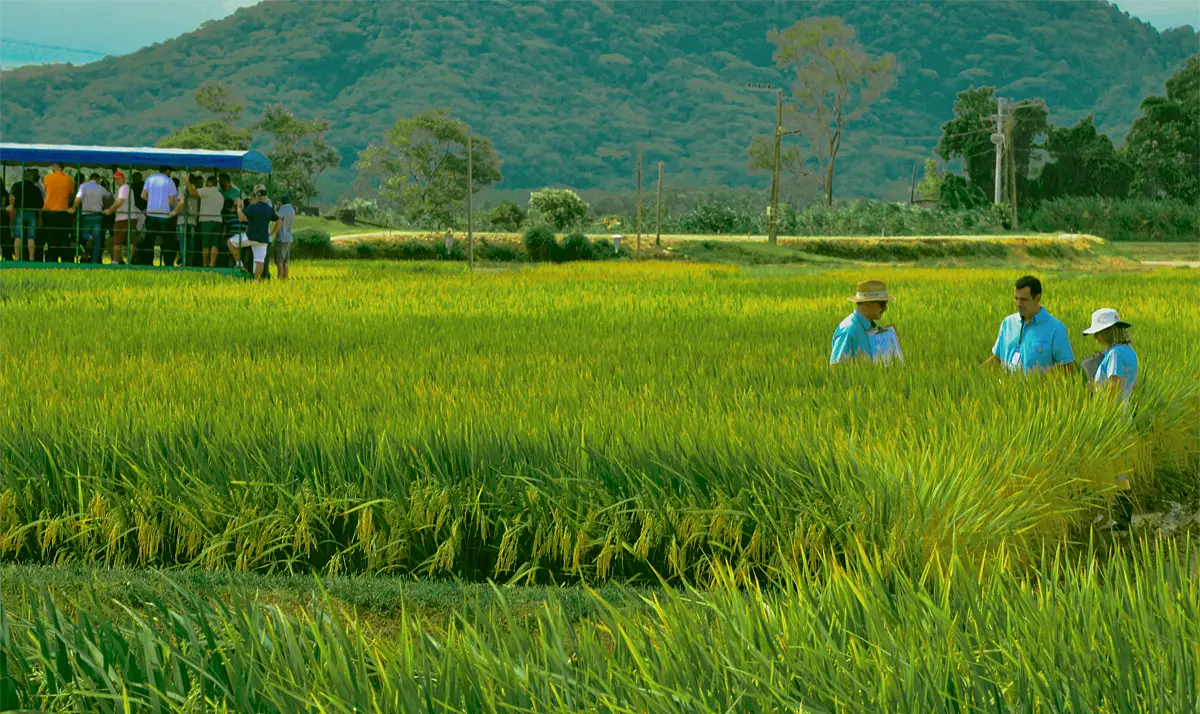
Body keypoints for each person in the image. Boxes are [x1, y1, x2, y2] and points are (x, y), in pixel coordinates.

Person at [984, 275, 1075, 374]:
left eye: (1024, 299)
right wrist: (974, 374)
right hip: (1005, 387)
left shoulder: (1056, 329)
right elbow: (997, 358)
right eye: (1016, 298)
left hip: (1036, 389)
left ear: (1037, 298)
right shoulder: (1007, 323)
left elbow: (1067, 368)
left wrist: (1038, 384)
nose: (1018, 304)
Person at [831, 280, 895, 366]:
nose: (885, 308)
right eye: (882, 303)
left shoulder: (869, 328)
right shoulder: (848, 331)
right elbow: (836, 368)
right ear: (866, 302)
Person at [1082, 309, 1138, 402]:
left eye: (1097, 333)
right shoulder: (1130, 351)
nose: (1095, 337)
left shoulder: (1115, 354)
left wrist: (1095, 389)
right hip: (1124, 410)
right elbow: (1134, 384)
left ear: (1106, 332)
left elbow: (1114, 386)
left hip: (1112, 412)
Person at [231, 188, 279, 280]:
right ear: (265, 197)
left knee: (230, 242)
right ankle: (256, 280)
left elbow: (242, 219)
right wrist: (272, 233)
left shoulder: (252, 207)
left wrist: (239, 209)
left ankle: (239, 264)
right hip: (263, 238)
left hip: (250, 236)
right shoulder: (270, 209)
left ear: (257, 196)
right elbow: (279, 221)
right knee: (259, 261)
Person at [68, 173, 112, 264]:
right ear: (98, 179)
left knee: (83, 233)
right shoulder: (101, 188)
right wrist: (106, 185)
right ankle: (94, 261)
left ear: (90, 178)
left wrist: (73, 208)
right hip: (97, 215)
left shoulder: (84, 186)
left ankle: (89, 237)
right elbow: (110, 197)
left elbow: (78, 197)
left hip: (86, 215)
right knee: (97, 240)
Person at [103, 171, 142, 265]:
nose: (116, 181)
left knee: (117, 241)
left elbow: (120, 201)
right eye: (115, 179)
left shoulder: (123, 188)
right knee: (131, 240)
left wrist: (109, 210)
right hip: (131, 217)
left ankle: (115, 261)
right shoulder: (127, 189)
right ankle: (129, 261)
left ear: (123, 179)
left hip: (123, 218)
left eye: (118, 179)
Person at [141, 167, 177, 267]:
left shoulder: (150, 179)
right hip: (164, 215)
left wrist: (152, 202)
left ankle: (147, 262)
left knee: (150, 239)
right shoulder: (170, 181)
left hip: (151, 213)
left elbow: (143, 196)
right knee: (167, 240)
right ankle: (168, 263)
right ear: (168, 171)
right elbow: (172, 201)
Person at [42, 163, 75, 263]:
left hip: (49, 212)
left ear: (55, 167)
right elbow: (71, 194)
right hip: (63, 212)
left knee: (51, 237)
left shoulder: (47, 178)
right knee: (64, 237)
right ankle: (65, 259)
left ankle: (53, 258)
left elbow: (46, 190)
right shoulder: (69, 180)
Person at [9, 169, 43, 261]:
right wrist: (40, 218)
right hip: (32, 213)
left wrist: (11, 206)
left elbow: (12, 196)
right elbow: (40, 206)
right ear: (31, 177)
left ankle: (17, 257)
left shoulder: (17, 185)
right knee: (31, 237)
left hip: (20, 212)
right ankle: (31, 257)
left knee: (18, 236)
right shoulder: (36, 189)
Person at [172, 174, 202, 267]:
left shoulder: (183, 190)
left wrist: (174, 212)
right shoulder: (196, 192)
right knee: (191, 244)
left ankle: (184, 264)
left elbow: (181, 202)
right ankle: (190, 264)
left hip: (182, 220)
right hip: (193, 221)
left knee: (183, 244)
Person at [196, 176, 225, 268]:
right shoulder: (220, 195)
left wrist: (187, 182)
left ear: (209, 182)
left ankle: (205, 264)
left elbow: (193, 192)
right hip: (218, 220)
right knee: (215, 244)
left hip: (207, 220)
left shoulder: (206, 190)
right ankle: (212, 264)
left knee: (205, 244)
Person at [219, 174, 242, 268]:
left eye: (222, 181)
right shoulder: (219, 191)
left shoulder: (236, 192)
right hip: (220, 218)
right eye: (219, 181)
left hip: (231, 219)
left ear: (228, 181)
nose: (220, 183)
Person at [274, 194, 296, 280]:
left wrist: (274, 209)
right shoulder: (292, 209)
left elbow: (277, 217)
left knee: (279, 261)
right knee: (285, 262)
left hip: (281, 238)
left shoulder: (283, 208)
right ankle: (285, 278)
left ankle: (280, 278)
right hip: (289, 237)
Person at [0, 181, 10, 261]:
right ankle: (7, 256)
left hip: (2, 217)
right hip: (3, 217)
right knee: (5, 239)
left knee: (4, 238)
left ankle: (7, 256)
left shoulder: (4, 193)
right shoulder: (5, 193)